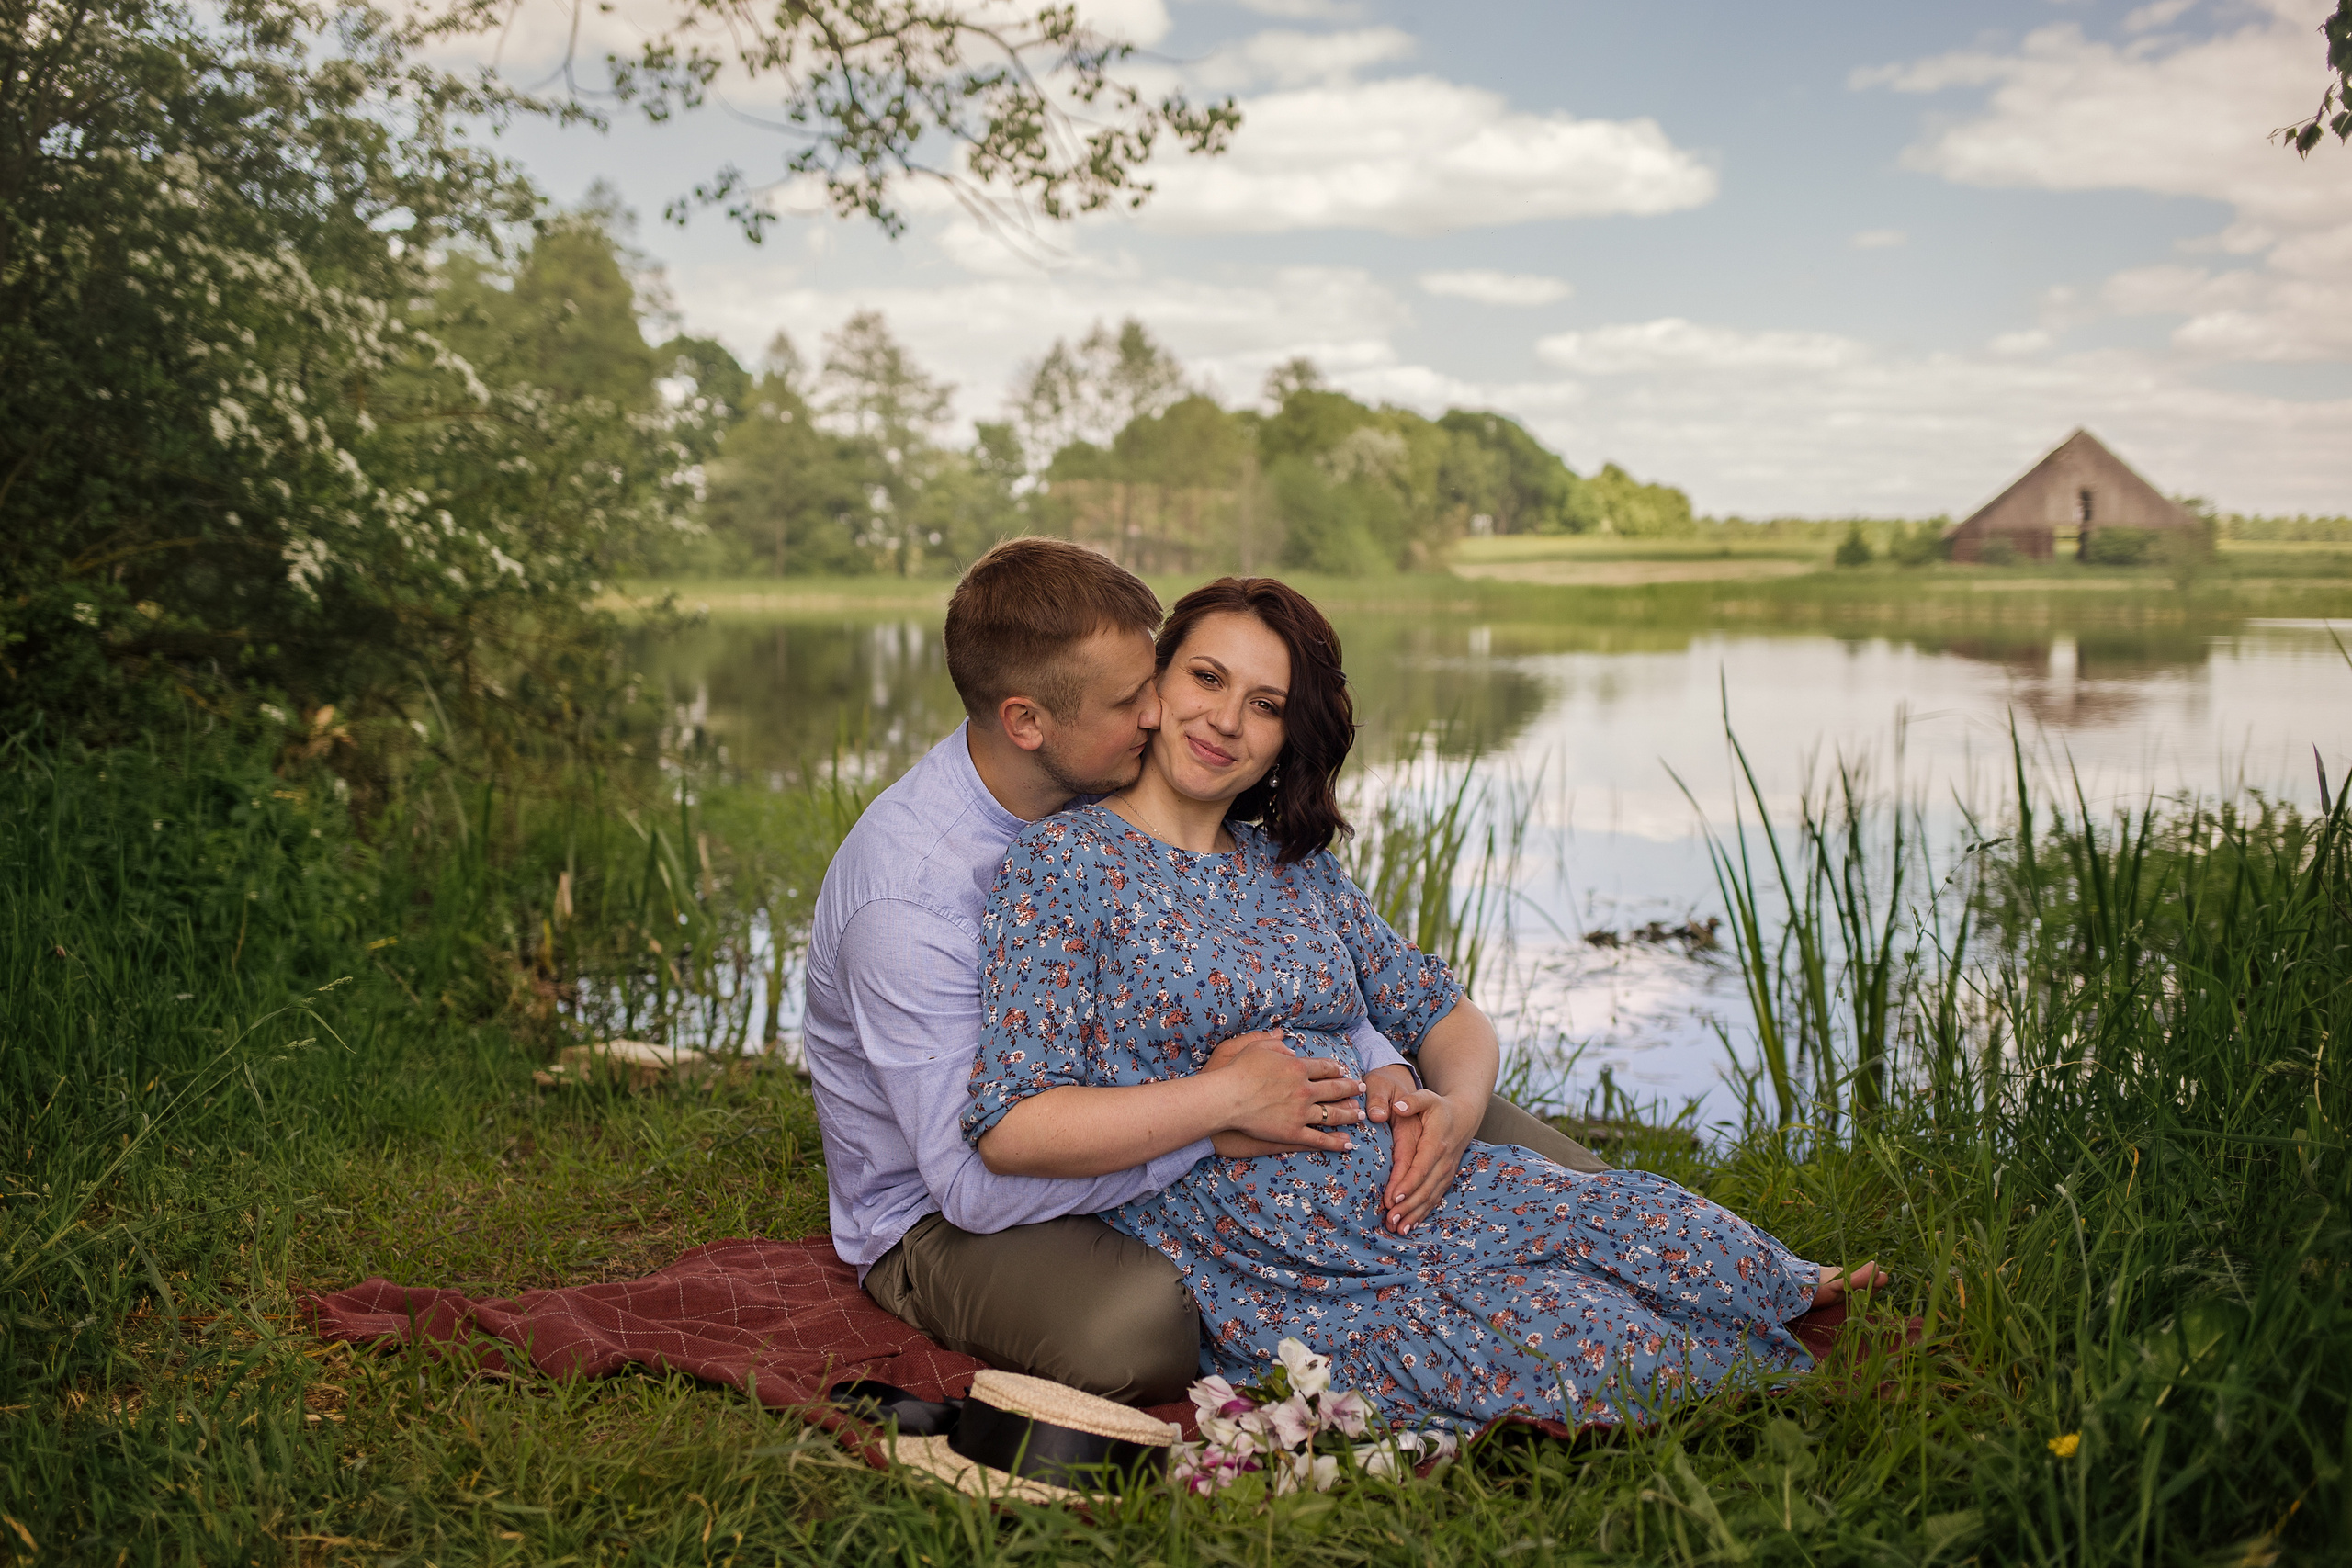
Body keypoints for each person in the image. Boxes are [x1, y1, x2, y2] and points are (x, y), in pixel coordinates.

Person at [962, 576, 1883, 1427]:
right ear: (1156, 685)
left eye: (1266, 705)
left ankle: (1810, 1307)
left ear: (1291, 735)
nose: (1226, 721)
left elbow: (1444, 1012)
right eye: (1206, 677)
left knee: (1645, 1221)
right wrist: (1225, 1103)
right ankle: (1787, 1387)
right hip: (1269, 1242)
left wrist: (1454, 1113)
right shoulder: (1065, 863)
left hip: (1403, 1182)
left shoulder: (1293, 868)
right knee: (1565, 1327)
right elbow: (1013, 1125)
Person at [801, 539, 1611, 1405]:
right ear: (1027, 722)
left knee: (1576, 1186)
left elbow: (1317, 956)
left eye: (1155, 680)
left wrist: (1388, 1065)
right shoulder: (911, 905)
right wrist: (1216, 1118)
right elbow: (975, 1176)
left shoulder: (1100, 782)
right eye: (1135, 700)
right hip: (942, 1209)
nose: (1166, 717)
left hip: (1205, 1115)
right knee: (1143, 1330)